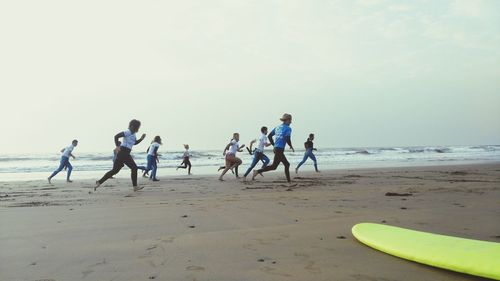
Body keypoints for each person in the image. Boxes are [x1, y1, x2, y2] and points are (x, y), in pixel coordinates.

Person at [94, 119, 146, 191]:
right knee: (134, 168)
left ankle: (99, 182)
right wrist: (117, 146)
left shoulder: (133, 134)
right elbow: (116, 136)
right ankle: (135, 187)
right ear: (132, 126)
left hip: (124, 153)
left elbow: (134, 143)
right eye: (136, 127)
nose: (136, 128)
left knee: (115, 171)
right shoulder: (127, 132)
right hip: (123, 152)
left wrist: (141, 139)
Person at [252, 113, 295, 185]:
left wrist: (274, 145)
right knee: (286, 164)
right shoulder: (288, 128)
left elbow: (269, 136)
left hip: (276, 149)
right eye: (290, 120)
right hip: (279, 150)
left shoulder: (277, 127)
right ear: (287, 120)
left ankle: (257, 171)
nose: (291, 122)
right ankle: (289, 182)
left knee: (274, 166)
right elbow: (287, 138)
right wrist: (290, 145)